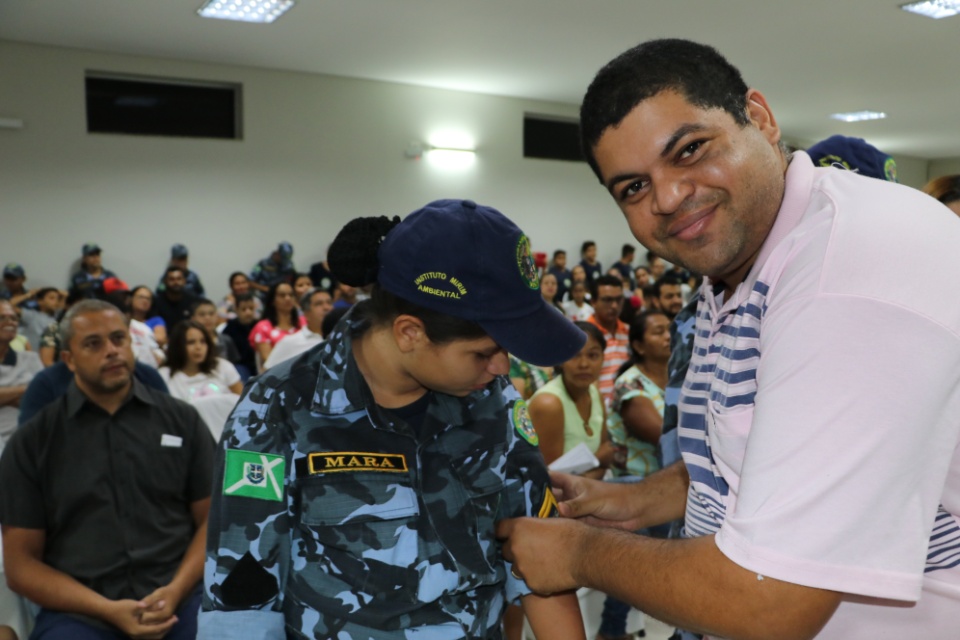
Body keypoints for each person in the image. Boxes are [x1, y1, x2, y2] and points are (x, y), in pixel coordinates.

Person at [496, 38, 960, 639]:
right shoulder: (745, 263)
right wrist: (635, 501)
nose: (667, 197)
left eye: (690, 149)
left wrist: (578, 553)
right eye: (633, 188)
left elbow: (771, 603)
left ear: (760, 119)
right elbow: (756, 460)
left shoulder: (843, 274)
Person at [199, 199, 586, 639]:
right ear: (410, 333)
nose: (503, 368)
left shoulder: (493, 402)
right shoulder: (277, 408)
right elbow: (242, 603)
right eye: (483, 352)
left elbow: (541, 562)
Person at [0, 299, 213, 640]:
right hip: (81, 612)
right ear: (68, 359)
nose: (111, 351)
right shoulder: (33, 442)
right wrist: (106, 609)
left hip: (180, 597)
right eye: (93, 343)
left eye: (118, 339)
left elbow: (212, 520)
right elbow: (21, 566)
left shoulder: (182, 420)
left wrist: (175, 591)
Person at [596, 310, 672, 640]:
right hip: (636, 490)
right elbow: (664, 435)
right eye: (658, 332)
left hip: (670, 489)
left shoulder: (678, 376)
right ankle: (610, 633)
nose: (668, 336)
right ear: (639, 346)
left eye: (669, 330)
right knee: (630, 573)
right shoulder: (631, 384)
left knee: (666, 570)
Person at [528, 321, 619, 481]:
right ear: (560, 359)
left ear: (603, 358)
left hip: (589, 490)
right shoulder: (549, 404)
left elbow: (606, 461)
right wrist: (597, 459)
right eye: (574, 355)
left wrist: (597, 465)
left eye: (593, 355)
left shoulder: (594, 393)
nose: (584, 364)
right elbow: (553, 482)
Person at [160, 320, 243, 403]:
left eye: (203, 341)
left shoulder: (222, 366)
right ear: (177, 346)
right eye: (191, 342)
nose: (198, 347)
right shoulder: (164, 375)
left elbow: (243, 402)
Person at [0, 301, 42, 451]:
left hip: (27, 437)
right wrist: (25, 389)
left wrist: (5, 395)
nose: (10, 322)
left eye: (13, 318)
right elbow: (34, 392)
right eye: (2, 318)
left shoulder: (30, 358)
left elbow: (42, 399)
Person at [261, 288, 332, 370]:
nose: (327, 308)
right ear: (306, 313)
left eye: (329, 303)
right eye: (319, 304)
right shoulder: (290, 342)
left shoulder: (344, 337)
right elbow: (265, 375)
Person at [586, 274, 629, 407]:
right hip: (596, 408)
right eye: (607, 300)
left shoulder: (630, 332)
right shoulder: (583, 336)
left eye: (618, 299)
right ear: (593, 302)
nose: (614, 306)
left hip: (629, 407)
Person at [248, 280, 304, 369]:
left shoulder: (304, 322)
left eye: (291, 295)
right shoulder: (262, 327)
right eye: (282, 295)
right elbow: (269, 361)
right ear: (272, 301)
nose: (287, 298)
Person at [190, 298, 240, 365]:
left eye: (211, 314)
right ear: (193, 318)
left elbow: (234, 363)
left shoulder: (226, 340)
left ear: (217, 316)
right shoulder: (188, 342)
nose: (207, 318)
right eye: (202, 314)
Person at [220, 293, 258, 380]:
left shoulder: (260, 325)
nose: (248, 312)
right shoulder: (229, 329)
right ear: (236, 310)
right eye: (244, 309)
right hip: (240, 365)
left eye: (251, 309)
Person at [151, 266, 198, 333]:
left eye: (179, 279)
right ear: (165, 281)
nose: (176, 282)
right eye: (172, 279)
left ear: (184, 281)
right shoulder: (156, 302)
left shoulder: (193, 301)